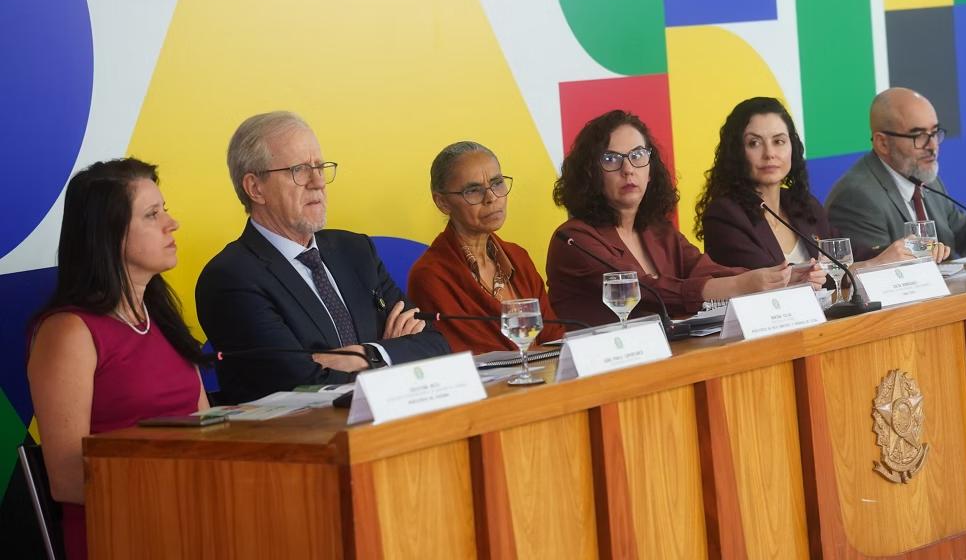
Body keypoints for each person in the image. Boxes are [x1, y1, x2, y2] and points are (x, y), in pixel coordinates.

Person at [196, 112, 448, 404]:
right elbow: (303, 386)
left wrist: (370, 353)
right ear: (256, 188)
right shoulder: (231, 277)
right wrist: (390, 353)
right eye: (299, 169)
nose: (318, 181)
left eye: (320, 167)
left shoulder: (355, 251)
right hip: (303, 440)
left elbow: (435, 345)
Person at [27, 159, 208, 560]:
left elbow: (206, 430)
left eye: (165, 209)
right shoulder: (69, 331)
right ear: (108, 236)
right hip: (122, 533)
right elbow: (69, 478)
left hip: (195, 517)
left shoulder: (162, 318)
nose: (171, 223)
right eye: (152, 215)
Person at [546, 110, 802, 326]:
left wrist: (782, 279)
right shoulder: (573, 240)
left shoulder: (656, 229)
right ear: (590, 173)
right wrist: (741, 286)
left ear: (650, 170)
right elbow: (644, 291)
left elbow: (705, 269)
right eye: (611, 159)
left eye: (637, 156)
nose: (628, 170)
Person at [696, 96, 912, 273]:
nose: (769, 153)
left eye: (779, 141)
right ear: (737, 152)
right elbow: (776, 285)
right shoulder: (725, 216)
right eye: (754, 143)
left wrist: (902, 252)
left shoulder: (802, 205)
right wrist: (870, 267)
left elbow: (850, 253)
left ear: (793, 148)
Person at [825, 88, 966, 260]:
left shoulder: (922, 175)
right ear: (882, 143)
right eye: (919, 136)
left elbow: (956, 230)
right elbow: (877, 273)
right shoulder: (857, 197)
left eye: (934, 133)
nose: (932, 146)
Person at [407, 142, 565, 354]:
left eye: (497, 183)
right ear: (443, 202)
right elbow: (471, 356)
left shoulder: (518, 257)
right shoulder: (431, 275)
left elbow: (553, 338)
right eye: (473, 190)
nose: (491, 198)